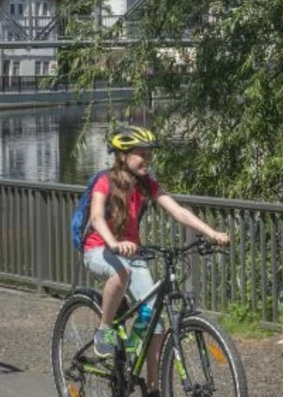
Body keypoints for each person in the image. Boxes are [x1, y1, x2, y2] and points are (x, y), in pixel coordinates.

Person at [82, 125, 231, 392]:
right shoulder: (105, 181)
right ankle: (104, 331)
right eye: (142, 154)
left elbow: (177, 211)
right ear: (122, 155)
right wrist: (114, 243)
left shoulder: (146, 184)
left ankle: (152, 388)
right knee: (121, 274)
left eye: (150, 155)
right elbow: (95, 217)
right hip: (99, 249)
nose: (147, 160)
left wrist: (211, 233)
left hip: (132, 253)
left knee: (157, 322)